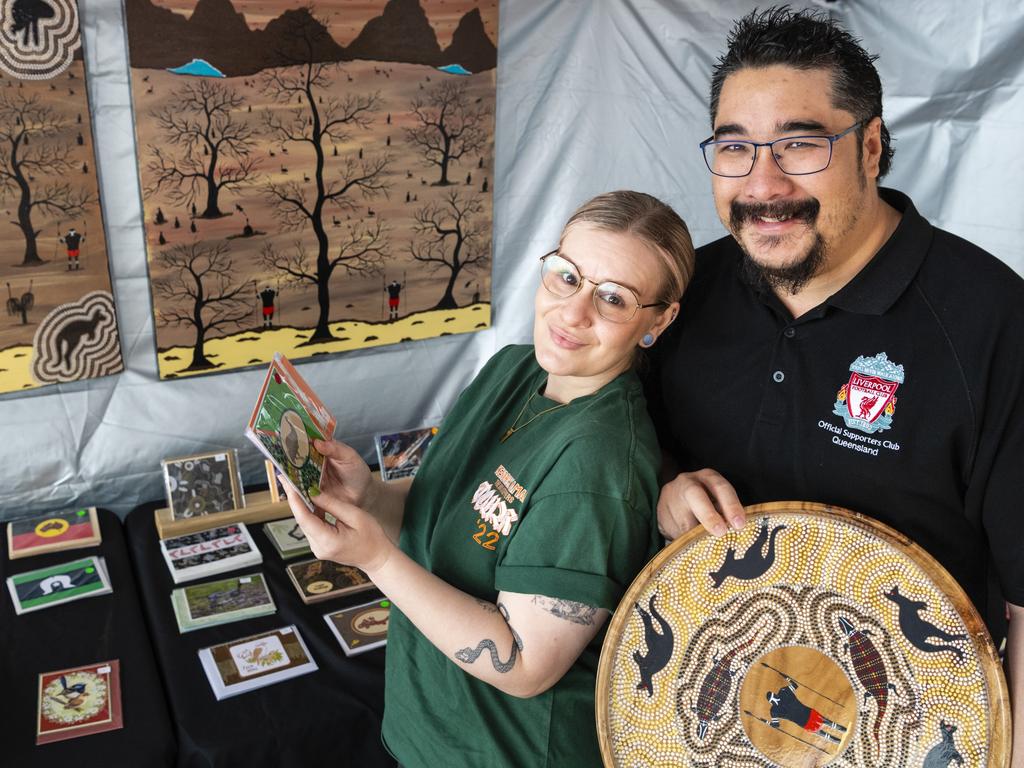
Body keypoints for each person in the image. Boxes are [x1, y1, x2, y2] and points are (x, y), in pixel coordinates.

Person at [646, 8, 1024, 760]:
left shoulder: (992, 321)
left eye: (799, 144)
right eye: (735, 147)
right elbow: (616, 448)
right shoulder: (686, 290)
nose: (763, 183)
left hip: (915, 733)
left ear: (872, 147)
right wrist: (661, 488)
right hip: (706, 724)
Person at [280, 190, 695, 767]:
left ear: (658, 320)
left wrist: (374, 560)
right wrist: (369, 496)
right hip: (430, 732)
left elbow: (525, 665)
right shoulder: (513, 368)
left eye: (613, 299)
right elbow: (448, 513)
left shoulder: (600, 462)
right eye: (567, 277)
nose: (573, 313)